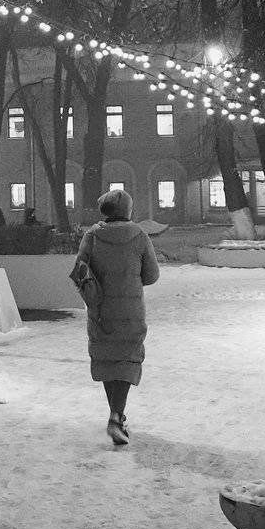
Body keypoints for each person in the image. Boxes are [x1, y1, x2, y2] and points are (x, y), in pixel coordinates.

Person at [74, 188, 159, 445]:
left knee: (107, 358)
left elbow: (79, 271)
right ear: (128, 210)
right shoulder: (139, 236)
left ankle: (116, 415)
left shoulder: (92, 237)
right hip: (130, 311)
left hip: (100, 310)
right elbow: (151, 275)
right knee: (126, 358)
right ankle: (116, 416)